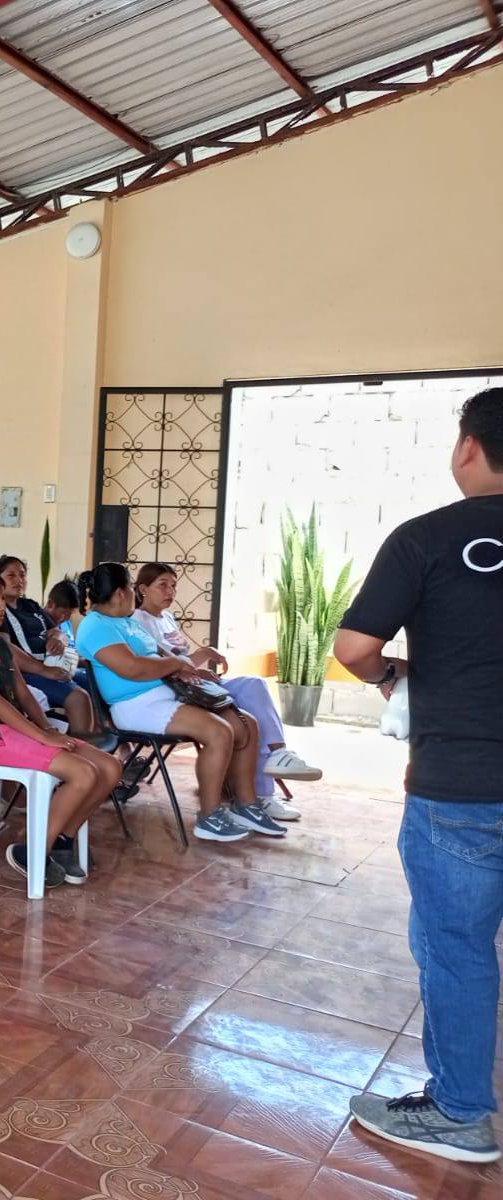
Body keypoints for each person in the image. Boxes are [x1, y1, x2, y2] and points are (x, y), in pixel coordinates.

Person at [333, 387, 503, 1164]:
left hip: (461, 780)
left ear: (468, 446)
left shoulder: (428, 537)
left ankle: (461, 1113)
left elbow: (354, 647)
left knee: (457, 947)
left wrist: (389, 675)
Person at [75, 562, 283, 843]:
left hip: (167, 693)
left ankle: (246, 805)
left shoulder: (127, 621)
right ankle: (210, 816)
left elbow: (162, 654)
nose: (134, 595)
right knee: (219, 732)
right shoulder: (95, 626)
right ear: (122, 592)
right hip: (137, 705)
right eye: (132, 588)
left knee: (248, 724)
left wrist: (187, 668)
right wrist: (175, 665)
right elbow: (132, 668)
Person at [0, 570, 122, 887]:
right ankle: (33, 850)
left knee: (110, 767)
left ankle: (63, 839)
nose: (1, 606)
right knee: (83, 773)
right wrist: (42, 736)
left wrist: (47, 728)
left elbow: (24, 694)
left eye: (2, 599)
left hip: (16, 730)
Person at [134, 563, 322, 821]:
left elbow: (182, 660)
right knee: (249, 708)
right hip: (178, 691)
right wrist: (196, 668)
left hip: (196, 684)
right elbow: (159, 665)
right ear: (143, 589)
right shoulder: (137, 622)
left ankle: (274, 762)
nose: (170, 591)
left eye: (174, 585)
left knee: (254, 692)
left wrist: (204, 655)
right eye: (163, 585)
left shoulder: (167, 618)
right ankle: (265, 785)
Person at [0, 555, 94, 734]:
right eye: (11, 575)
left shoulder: (30, 606)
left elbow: (57, 631)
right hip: (25, 674)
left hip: (50, 665)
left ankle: (101, 736)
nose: (18, 580)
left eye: (22, 575)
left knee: (93, 681)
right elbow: (4, 649)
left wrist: (57, 639)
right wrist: (43, 670)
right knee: (78, 697)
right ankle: (81, 748)